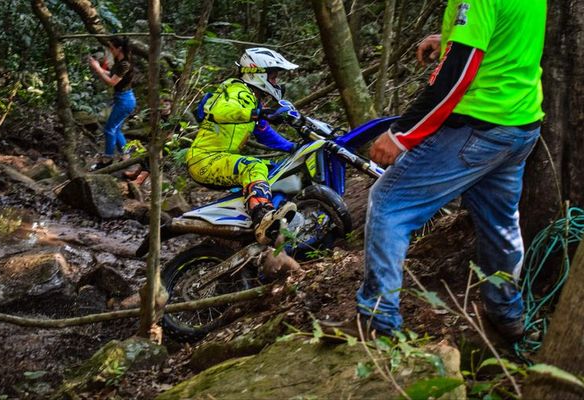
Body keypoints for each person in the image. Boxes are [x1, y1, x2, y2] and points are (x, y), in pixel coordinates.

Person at [322, 0, 546, 342]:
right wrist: (452, 38)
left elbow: (456, 74)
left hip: (478, 126)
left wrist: (402, 135)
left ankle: (377, 320)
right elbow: (504, 33)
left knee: (390, 203)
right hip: (520, 126)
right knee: (499, 222)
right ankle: (508, 315)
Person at [186, 47, 300, 244]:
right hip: (204, 159)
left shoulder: (250, 99)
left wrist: (293, 147)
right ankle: (262, 216)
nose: (276, 82)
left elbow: (264, 133)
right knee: (253, 166)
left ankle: (264, 225)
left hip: (220, 159)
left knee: (277, 171)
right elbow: (222, 111)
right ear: (257, 73)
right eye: (273, 77)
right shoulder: (236, 90)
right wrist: (257, 114)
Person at [87, 36, 136, 170]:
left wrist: (97, 69)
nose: (110, 50)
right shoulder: (119, 62)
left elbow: (111, 82)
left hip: (125, 100)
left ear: (119, 48)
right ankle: (125, 156)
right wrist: (99, 69)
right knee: (116, 128)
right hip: (122, 99)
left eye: (111, 48)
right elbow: (113, 74)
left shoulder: (125, 64)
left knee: (109, 129)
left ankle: (107, 159)